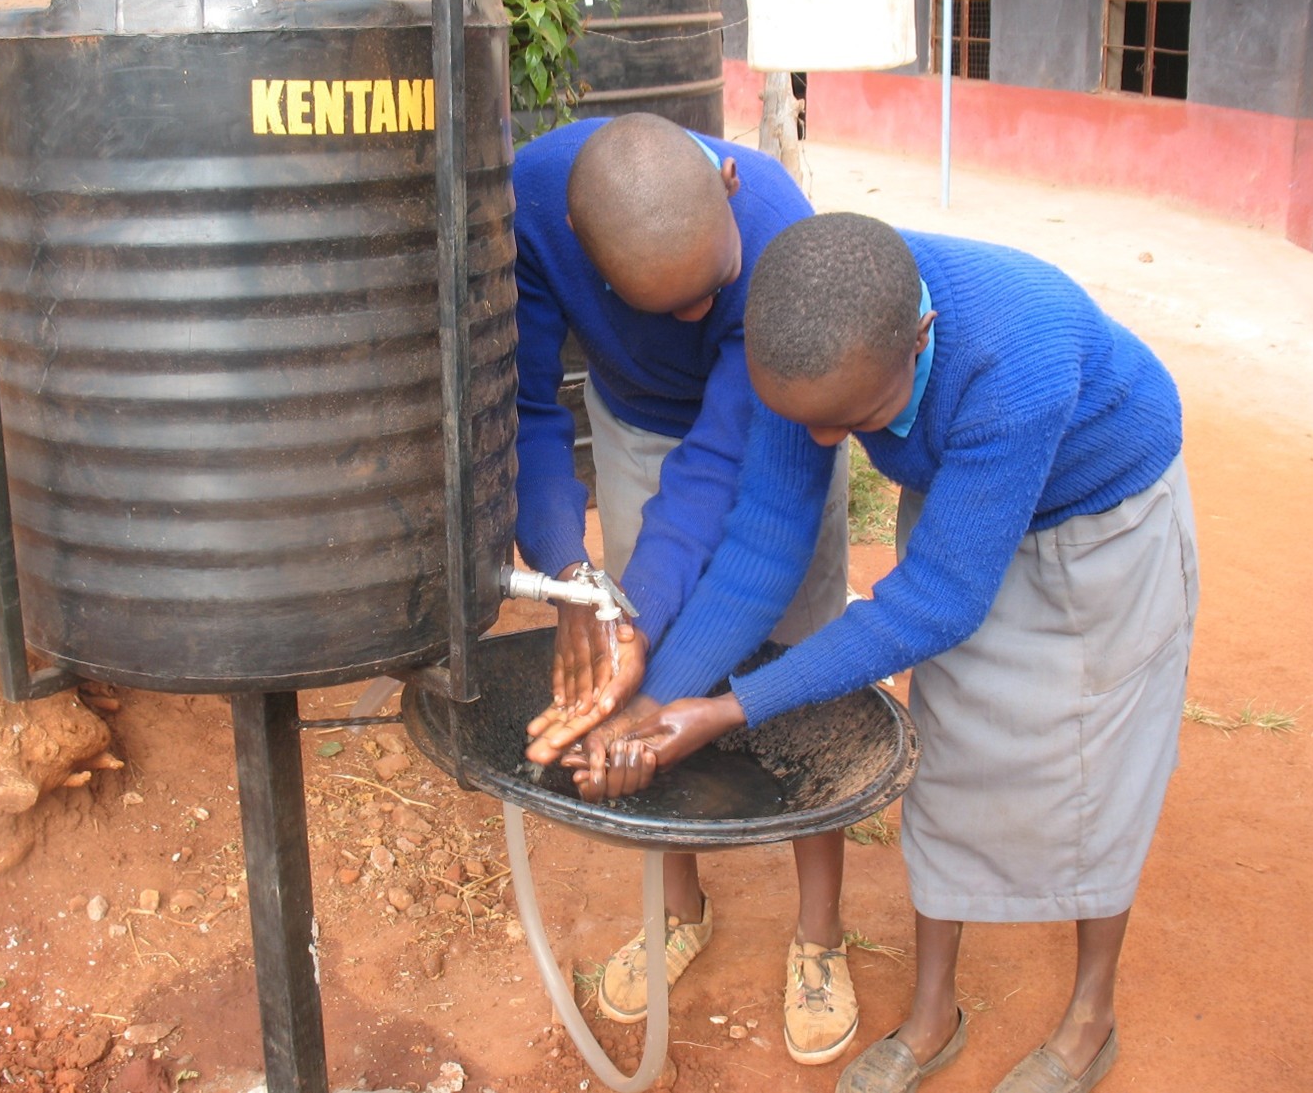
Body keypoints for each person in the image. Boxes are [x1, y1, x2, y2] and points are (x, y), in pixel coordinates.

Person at [582, 212, 1199, 1093]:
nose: (832, 442)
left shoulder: (1011, 358)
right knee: (946, 764)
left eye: (860, 419)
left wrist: (729, 708)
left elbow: (937, 603)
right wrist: (653, 702)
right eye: (814, 425)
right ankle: (931, 1013)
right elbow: (762, 546)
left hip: (1098, 526)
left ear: (920, 335)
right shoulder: (809, 333)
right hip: (965, 502)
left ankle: (1088, 1018)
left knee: (1096, 775)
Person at [510, 114, 859, 1064]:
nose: (697, 317)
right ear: (587, 252)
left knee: (797, 670)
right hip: (630, 423)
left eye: (711, 288)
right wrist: (578, 580)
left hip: (775, 423)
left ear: (731, 191)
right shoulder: (534, 208)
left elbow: (721, 470)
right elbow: (524, 407)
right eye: (664, 304)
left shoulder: (780, 232)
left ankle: (819, 933)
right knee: (639, 670)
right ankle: (678, 909)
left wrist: (647, 617)